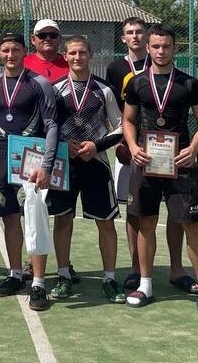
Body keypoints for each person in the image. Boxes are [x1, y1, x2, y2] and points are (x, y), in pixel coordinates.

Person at [122, 24, 198, 315]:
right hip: (146, 162)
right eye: (156, 46)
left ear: (175, 48)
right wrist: (133, 147)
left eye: (166, 46)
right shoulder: (137, 83)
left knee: (191, 225)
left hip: (180, 163)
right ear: (147, 48)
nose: (161, 51)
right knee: (146, 223)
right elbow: (128, 120)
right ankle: (146, 285)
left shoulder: (190, 84)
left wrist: (193, 149)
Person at [105, 17, 193, 293]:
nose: (135, 36)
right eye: (129, 32)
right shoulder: (116, 68)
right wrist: (123, 143)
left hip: (171, 152)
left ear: (148, 37)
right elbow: (114, 108)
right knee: (136, 210)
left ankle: (177, 269)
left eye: (139, 32)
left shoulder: (169, 69)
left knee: (176, 211)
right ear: (123, 37)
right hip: (135, 148)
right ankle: (137, 269)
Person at [45, 35, 125, 303]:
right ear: (65, 56)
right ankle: (63, 275)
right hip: (64, 164)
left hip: (96, 163)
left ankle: (110, 279)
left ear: (90, 55)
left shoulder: (104, 90)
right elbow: (47, 126)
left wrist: (97, 145)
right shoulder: (55, 90)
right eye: (72, 53)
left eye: (82, 52)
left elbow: (121, 127)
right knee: (62, 219)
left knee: (106, 222)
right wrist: (62, 145)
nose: (77, 57)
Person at [0, 33, 58, 311]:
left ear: (25, 51)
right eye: (5, 50)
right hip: (1, 155)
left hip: (31, 156)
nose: (10, 55)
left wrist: (46, 165)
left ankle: (38, 283)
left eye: (15, 49)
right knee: (9, 217)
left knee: (35, 216)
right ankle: (16, 274)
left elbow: (51, 125)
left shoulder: (39, 84)